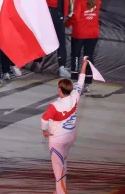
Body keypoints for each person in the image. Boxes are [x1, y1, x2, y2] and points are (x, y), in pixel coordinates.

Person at [41, 57, 88, 194]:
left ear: (60, 90)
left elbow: (44, 120)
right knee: (63, 162)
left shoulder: (54, 106)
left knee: (58, 170)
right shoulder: (75, 96)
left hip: (58, 140)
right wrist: (84, 64)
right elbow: (81, 80)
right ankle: (61, 189)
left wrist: (44, 131)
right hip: (70, 136)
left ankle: (61, 192)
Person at [66, 0, 100, 92]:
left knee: (75, 55)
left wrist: (67, 23)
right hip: (93, 34)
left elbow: (76, 16)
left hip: (79, 33)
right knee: (88, 57)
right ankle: (88, 83)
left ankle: (75, 80)